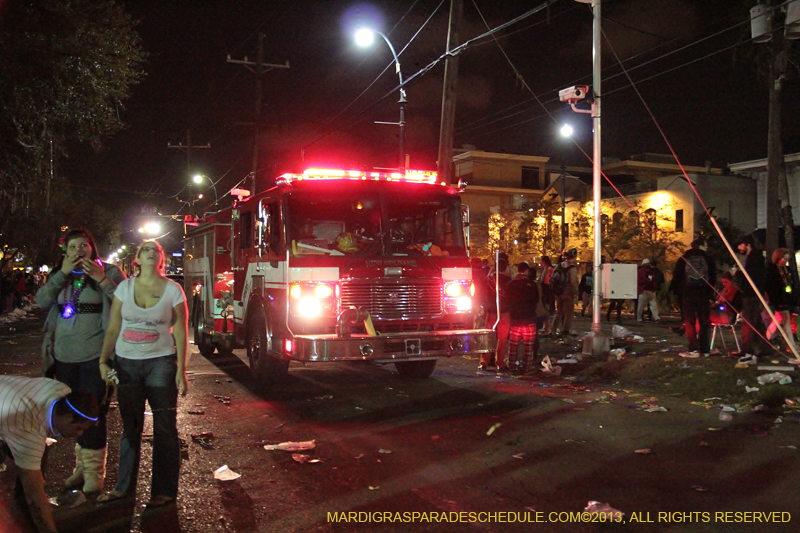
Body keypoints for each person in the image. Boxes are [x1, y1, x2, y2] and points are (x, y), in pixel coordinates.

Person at [97, 240, 189, 508]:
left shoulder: (174, 290)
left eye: (155, 250)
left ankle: (164, 491)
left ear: (161, 259)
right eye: (145, 250)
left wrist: (181, 370)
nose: (151, 252)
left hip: (160, 363)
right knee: (131, 427)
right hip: (127, 364)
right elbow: (114, 326)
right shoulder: (125, 288)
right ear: (136, 259)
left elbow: (181, 331)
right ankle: (123, 487)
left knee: (164, 428)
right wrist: (104, 360)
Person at [34, 229, 126, 494]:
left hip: (94, 357)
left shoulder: (109, 271)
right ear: (66, 251)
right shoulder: (60, 274)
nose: (78, 251)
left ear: (92, 248)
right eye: (73, 247)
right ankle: (82, 469)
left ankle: (94, 473)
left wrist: (102, 280)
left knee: (92, 411)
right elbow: (41, 302)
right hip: (63, 357)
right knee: (72, 413)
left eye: (83, 245)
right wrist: (61, 274)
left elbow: (124, 302)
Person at [0, 376, 99, 533]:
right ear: (67, 417)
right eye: (79, 428)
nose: (80, 434)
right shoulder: (28, 431)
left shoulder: (62, 391)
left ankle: (22, 516)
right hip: (10, 414)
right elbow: (34, 495)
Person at [672, 238, 716, 357]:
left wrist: (679, 292)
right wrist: (710, 293)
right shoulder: (707, 258)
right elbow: (713, 276)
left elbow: (677, 276)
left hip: (688, 294)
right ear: (701, 246)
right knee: (704, 321)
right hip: (703, 293)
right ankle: (705, 349)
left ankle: (693, 348)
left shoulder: (684, 258)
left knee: (689, 321)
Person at [734, 235, 767, 360]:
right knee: (757, 322)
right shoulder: (754, 257)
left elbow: (751, 277)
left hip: (752, 294)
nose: (739, 247)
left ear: (748, 245)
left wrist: (737, 273)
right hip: (753, 293)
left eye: (741, 244)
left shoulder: (754, 258)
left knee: (748, 322)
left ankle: (746, 348)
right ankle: (765, 347)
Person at [505, 262, 540, 375]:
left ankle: (511, 366)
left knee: (513, 345)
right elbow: (536, 299)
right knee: (528, 346)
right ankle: (526, 367)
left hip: (515, 318)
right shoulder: (531, 284)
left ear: (518, 270)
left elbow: (507, 300)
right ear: (526, 271)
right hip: (529, 318)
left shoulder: (510, 284)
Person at [480, 255, 511, 371]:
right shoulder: (508, 281)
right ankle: (500, 362)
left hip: (491, 311)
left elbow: (482, 295)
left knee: (488, 338)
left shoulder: (488, 280)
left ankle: (484, 362)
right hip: (504, 312)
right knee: (502, 339)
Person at [764, 248, 798, 352]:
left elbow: (792, 283)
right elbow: (771, 285)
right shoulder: (772, 270)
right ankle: (791, 345)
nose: (786, 260)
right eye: (784, 257)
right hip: (778, 298)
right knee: (784, 319)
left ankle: (767, 339)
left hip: (787, 298)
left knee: (778, 320)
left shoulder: (787, 270)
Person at [551, 248, 579, 337]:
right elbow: (573, 281)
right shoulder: (572, 268)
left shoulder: (559, 265)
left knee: (559, 312)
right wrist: (576, 292)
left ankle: (553, 330)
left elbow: (553, 277)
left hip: (558, 292)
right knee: (569, 313)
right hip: (568, 292)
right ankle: (565, 331)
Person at [636, 258, 661, 322]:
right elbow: (639, 281)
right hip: (644, 290)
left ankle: (656, 317)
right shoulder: (641, 272)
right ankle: (639, 317)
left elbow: (654, 280)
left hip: (650, 290)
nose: (648, 265)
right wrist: (646, 281)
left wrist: (654, 286)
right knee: (641, 305)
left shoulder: (650, 271)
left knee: (653, 304)